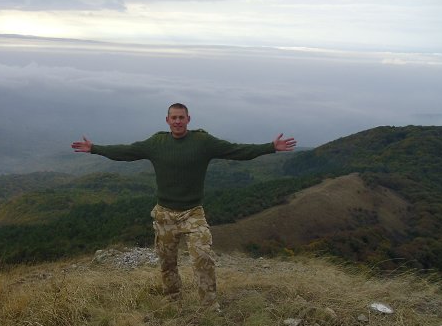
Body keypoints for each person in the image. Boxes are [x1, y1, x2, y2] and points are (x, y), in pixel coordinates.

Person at [71, 103, 296, 310]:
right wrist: (95, 148)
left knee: (203, 256)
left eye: (181, 117)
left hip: (193, 213)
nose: (177, 121)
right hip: (164, 214)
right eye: (174, 118)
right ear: (167, 120)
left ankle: (209, 305)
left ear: (189, 119)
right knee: (167, 262)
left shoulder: (203, 142)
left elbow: (236, 151)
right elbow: (127, 152)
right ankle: (173, 300)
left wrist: (270, 147)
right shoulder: (157, 143)